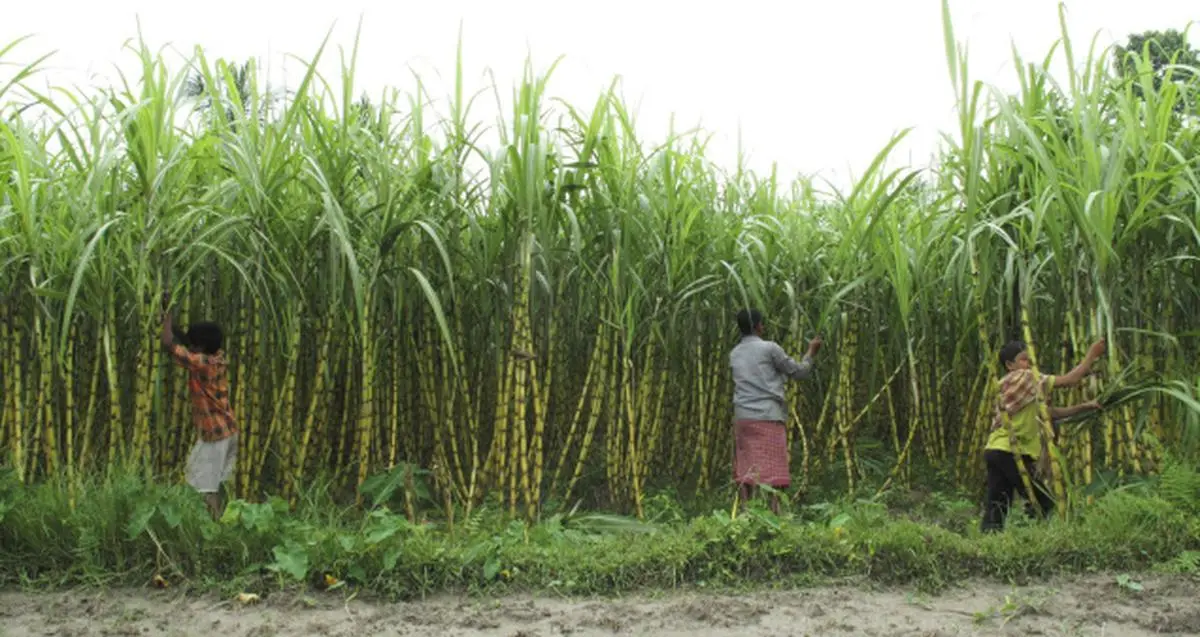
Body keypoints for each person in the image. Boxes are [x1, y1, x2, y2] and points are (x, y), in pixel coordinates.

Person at [980, 338, 1105, 532]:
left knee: (998, 504)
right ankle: (1035, 539)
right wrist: (1092, 355)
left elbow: (1049, 413)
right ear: (1009, 365)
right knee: (1042, 501)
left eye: (1029, 360)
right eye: (1023, 359)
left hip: (995, 449)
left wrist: (1085, 406)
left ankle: (989, 543)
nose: (1028, 364)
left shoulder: (1014, 385)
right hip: (1011, 450)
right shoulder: (1024, 377)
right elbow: (1069, 380)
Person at [729, 308, 822, 514]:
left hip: (743, 418)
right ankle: (775, 514)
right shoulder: (770, 348)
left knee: (747, 468)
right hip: (767, 417)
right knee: (772, 467)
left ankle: (745, 514)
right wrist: (810, 354)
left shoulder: (734, 353)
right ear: (758, 326)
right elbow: (798, 372)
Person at [161, 292, 239, 520]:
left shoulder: (202, 364)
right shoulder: (217, 357)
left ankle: (214, 532)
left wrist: (165, 315)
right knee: (209, 481)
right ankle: (220, 523)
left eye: (193, 346)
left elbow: (168, 344)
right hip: (228, 432)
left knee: (206, 488)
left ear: (200, 347)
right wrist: (169, 315)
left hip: (214, 436)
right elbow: (184, 342)